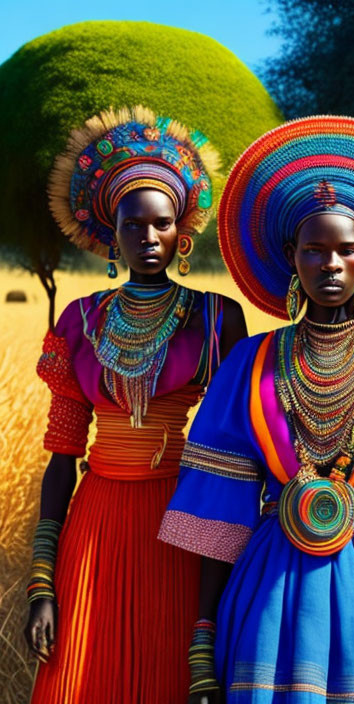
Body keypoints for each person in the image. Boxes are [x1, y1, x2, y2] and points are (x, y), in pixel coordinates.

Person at [158, 116, 354, 704]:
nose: (330, 264)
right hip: (269, 592)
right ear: (292, 256)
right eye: (315, 249)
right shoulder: (249, 364)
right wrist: (201, 651)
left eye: (346, 250)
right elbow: (219, 520)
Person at [26, 106, 247, 703]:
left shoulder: (215, 317)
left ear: (183, 233)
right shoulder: (80, 322)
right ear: (110, 235)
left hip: (182, 517)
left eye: (162, 223)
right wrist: (42, 583)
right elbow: (62, 458)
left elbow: (235, 446)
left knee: (170, 671)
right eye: (132, 226)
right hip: (94, 523)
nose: (147, 237)